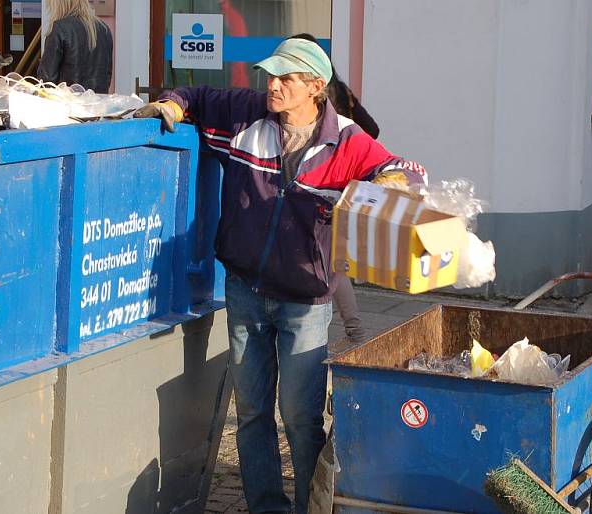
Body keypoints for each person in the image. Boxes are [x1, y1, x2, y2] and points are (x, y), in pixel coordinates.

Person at [134, 38, 426, 514]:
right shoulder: (248, 113)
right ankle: (267, 506)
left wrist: (388, 183)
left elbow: (405, 170)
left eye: (285, 79)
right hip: (245, 288)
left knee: (299, 415)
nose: (272, 85)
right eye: (271, 75)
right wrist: (172, 102)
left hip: (305, 300)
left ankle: (312, 505)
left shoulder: (348, 140)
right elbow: (197, 97)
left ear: (315, 87)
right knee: (250, 413)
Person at [290, 33, 378, 345]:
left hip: (325, 183)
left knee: (332, 261)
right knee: (332, 258)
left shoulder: (325, 96)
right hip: (341, 185)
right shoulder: (341, 89)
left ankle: (352, 329)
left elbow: (370, 133)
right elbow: (374, 129)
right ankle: (348, 329)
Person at [37, 0, 112, 93]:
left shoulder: (59, 28)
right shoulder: (104, 29)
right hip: (98, 104)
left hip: (68, 103)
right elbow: (106, 75)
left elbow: (47, 81)